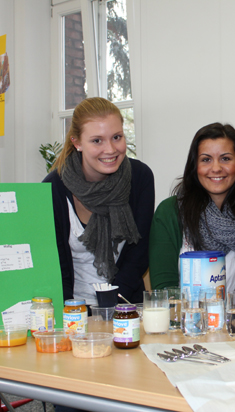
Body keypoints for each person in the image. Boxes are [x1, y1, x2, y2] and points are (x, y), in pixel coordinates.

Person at [43, 97, 154, 306]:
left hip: (125, 306)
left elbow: (139, 254)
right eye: (97, 141)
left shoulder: (140, 177)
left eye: (116, 137)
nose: (110, 149)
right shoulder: (53, 188)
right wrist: (74, 313)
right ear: (77, 143)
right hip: (72, 310)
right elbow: (55, 268)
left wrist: (109, 308)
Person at [149, 122, 235, 293]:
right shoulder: (170, 212)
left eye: (225, 158)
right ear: (195, 166)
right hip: (181, 311)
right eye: (206, 159)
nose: (216, 168)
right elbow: (163, 290)